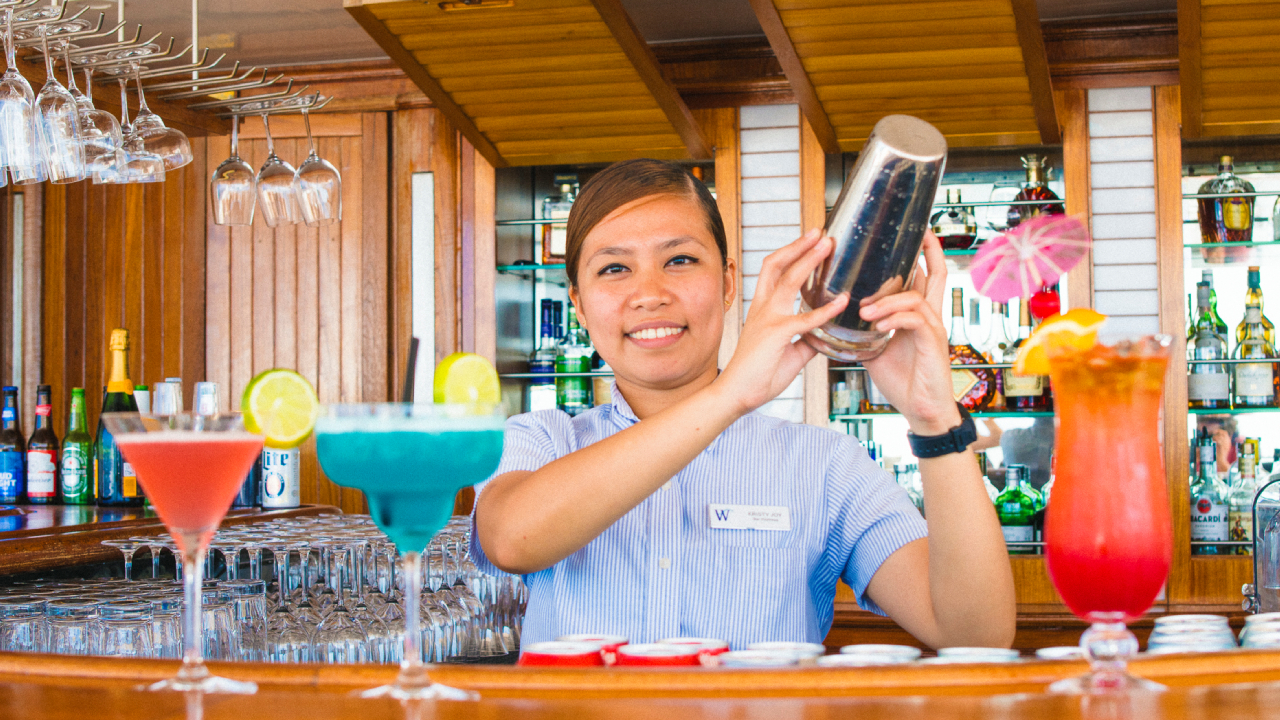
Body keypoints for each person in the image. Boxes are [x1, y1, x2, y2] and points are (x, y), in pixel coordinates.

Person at [472, 159, 1016, 649]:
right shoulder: (540, 439)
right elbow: (512, 540)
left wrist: (934, 417)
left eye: (680, 260)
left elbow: (974, 632)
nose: (650, 293)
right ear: (580, 306)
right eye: (614, 269)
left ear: (729, 283)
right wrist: (730, 393)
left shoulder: (825, 466)